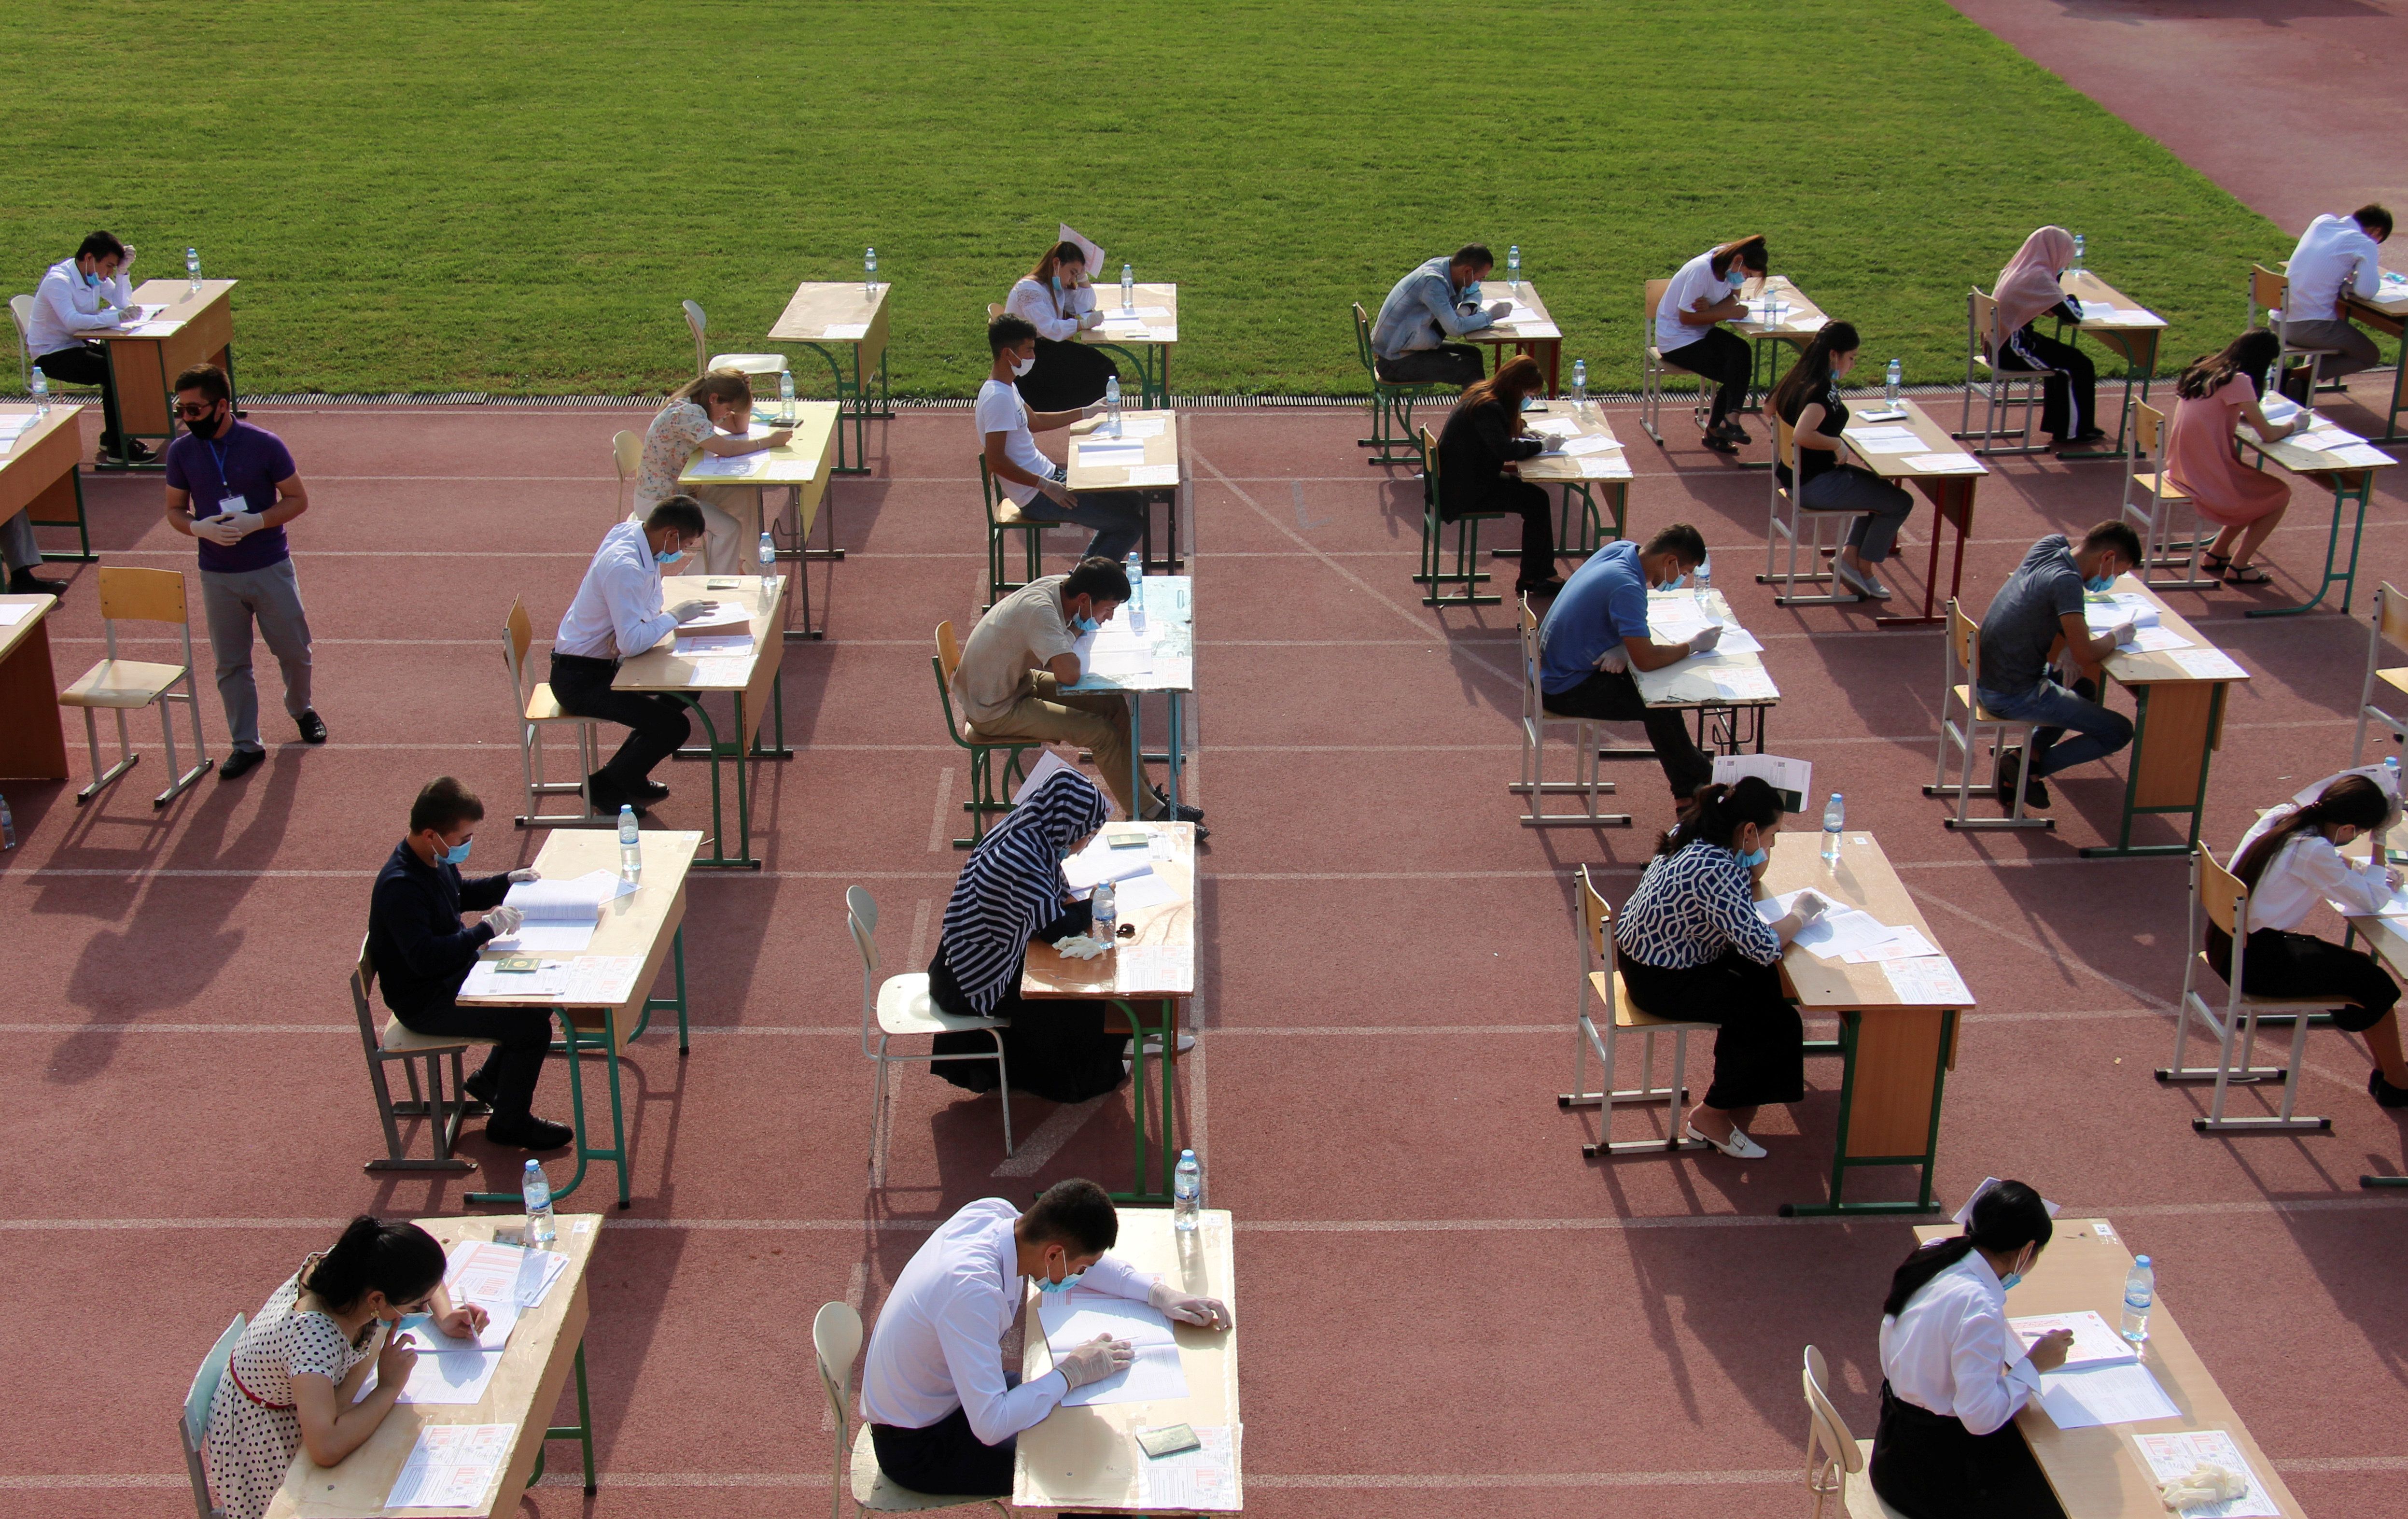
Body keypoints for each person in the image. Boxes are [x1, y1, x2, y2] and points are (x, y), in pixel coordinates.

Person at [860, 1180, 1232, 1499]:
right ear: (1054, 1253)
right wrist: (1072, 1371)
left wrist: (1159, 1295)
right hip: (920, 1444)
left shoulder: (996, 1215)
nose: (1083, 1274)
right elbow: (991, 1425)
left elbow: (1079, 1260)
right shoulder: (971, 1291)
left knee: (1073, 1416)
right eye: (1081, 1267)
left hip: (949, 1396)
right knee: (1090, 1469)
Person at [201, 1216, 487, 1519]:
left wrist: (444, 1315)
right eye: (418, 1306)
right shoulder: (312, 1339)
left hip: (308, 1402)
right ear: (377, 1299)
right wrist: (389, 1386)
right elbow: (325, 1447)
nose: (423, 1311)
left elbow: (421, 1273)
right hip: (264, 1440)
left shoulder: (357, 1263)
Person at [1613, 778, 1829, 1158]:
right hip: (1662, 980)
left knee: (1764, 985)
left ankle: (1740, 1093)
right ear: (1748, 830)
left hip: (1645, 958)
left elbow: (1750, 879)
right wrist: (1800, 915)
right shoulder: (1715, 870)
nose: (1772, 845)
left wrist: (1755, 854)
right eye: (1771, 836)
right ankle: (1711, 1115)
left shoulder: (1695, 831)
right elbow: (1763, 947)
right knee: (1770, 1016)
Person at [366, 776, 572, 1149]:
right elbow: (426, 959)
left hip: (453, 977)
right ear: (432, 834)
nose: (466, 846)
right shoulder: (401, 887)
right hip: (427, 1001)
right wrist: (484, 931)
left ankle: (491, 1083)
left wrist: (506, 882)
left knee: (540, 998)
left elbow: (458, 894)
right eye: (462, 839)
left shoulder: (432, 859)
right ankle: (510, 1124)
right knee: (531, 1031)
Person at [953, 558, 1205, 831]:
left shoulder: (1056, 587)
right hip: (993, 708)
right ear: (1085, 599)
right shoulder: (1040, 612)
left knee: (1112, 705)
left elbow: (1064, 652)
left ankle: (1146, 797)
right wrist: (1078, 628)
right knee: (1102, 734)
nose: (1108, 618)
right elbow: (1069, 675)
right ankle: (1148, 813)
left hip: (1017, 682)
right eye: (1108, 609)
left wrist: (1076, 629)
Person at [925, 768, 1130, 1102]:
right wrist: (1094, 906)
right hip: (970, 981)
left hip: (960, 960)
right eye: (1088, 834)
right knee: (1075, 994)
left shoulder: (1027, 830)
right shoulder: (1022, 859)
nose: (1085, 844)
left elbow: (1047, 902)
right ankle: (1081, 1079)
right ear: (1069, 823)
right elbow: (1056, 929)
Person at [1868, 1180, 2069, 1519]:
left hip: (1893, 1447)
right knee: (2061, 1491)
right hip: (1931, 1483)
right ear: (2026, 1251)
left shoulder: (1933, 1252)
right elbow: (1980, 1418)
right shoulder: (1981, 1308)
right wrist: (2033, 1365)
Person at [162, 363, 322, 782]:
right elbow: (175, 510)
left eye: (194, 410)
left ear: (222, 406)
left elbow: (297, 500)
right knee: (231, 663)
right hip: (217, 575)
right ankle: (245, 744)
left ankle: (301, 709)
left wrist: (257, 521)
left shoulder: (265, 445)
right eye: (181, 410)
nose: (186, 418)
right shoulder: (181, 452)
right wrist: (197, 527)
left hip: (270, 567)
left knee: (294, 650)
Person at [2217, 774, 2408, 1108]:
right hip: (2258, 964)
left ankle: (2390, 1072)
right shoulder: (2312, 851)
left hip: (2229, 946)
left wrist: (2356, 867)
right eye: (2361, 832)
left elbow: (2326, 864)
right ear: (2348, 827)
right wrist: (2380, 842)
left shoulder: (2282, 818)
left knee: (2361, 970)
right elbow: (2372, 902)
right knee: (2376, 984)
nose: (2359, 838)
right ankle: (2399, 1081)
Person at [550, 497, 724, 815]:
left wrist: (641, 626)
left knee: (686, 691)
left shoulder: (636, 537)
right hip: (580, 679)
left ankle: (627, 775)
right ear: (670, 534)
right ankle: (604, 786)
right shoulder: (625, 566)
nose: (682, 551)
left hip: (603, 664)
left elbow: (652, 599)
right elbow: (632, 642)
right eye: (685, 544)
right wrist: (672, 618)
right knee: (674, 728)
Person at [1535, 523, 1719, 808]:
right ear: (1670, 560)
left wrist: (1622, 646)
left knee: (1659, 701)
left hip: (1552, 668)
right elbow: (1646, 661)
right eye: (1683, 573)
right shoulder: (1628, 586)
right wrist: (1694, 646)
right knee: (1659, 702)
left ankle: (1689, 792)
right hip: (1563, 687)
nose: (1682, 579)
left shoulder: (1620, 550)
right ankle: (1710, 778)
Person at [1975, 523, 2141, 813]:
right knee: (2119, 731)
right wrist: (2117, 636)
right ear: (2108, 558)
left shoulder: (2048, 547)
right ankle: (2026, 770)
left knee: (2084, 688)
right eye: (2118, 572)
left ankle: (2028, 754)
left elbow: (2044, 606)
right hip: (2013, 694)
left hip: (1992, 677)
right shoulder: (2067, 582)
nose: (2113, 579)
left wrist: (2068, 637)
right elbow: (2086, 653)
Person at [980, 314, 1148, 565]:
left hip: (1050, 477)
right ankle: (1084, 586)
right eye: (1028, 351)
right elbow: (995, 462)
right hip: (1037, 496)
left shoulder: (1008, 387)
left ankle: (1084, 572)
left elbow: (1035, 421)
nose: (1033, 357)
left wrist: (1085, 412)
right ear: (1008, 354)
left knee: (1132, 500)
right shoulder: (997, 400)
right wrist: (1047, 487)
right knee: (1130, 525)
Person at [1768, 320, 1915, 600]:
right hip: (1816, 486)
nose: (1853, 365)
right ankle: (1863, 568)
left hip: (1795, 477)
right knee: (1899, 502)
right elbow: (1802, 434)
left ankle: (1850, 559)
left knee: (1879, 488)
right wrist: (1835, 443)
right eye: (1852, 358)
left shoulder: (1796, 377)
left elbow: (1768, 408)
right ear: (1834, 355)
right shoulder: (1819, 392)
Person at [2163, 328, 2304, 586]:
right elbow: (2269, 434)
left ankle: (2217, 552)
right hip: (2205, 474)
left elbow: (2215, 410)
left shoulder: (2205, 368)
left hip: (2180, 466)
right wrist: (2297, 425)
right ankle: (2239, 566)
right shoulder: (2238, 380)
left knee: (2255, 493)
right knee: (2279, 494)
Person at [629, 369, 794, 577]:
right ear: (714, 398)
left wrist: (745, 393)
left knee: (744, 495)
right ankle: (712, 586)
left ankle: (755, 569)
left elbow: (738, 428)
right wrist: (770, 442)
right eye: (728, 408)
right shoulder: (686, 414)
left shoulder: (704, 405)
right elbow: (727, 449)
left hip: (684, 492)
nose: (728, 415)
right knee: (729, 529)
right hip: (661, 503)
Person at [1435, 354, 1559, 597]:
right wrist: (1543, 445)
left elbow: (1497, 432)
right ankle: (1535, 577)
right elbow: (1507, 450)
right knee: (1537, 502)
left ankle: (1539, 574)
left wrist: (1524, 429)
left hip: (1464, 480)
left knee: (1537, 499)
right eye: (1527, 394)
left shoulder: (1482, 392)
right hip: (1465, 491)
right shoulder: (1488, 408)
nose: (1528, 400)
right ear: (1516, 388)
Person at [27, 229, 148, 464]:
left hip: (78, 344)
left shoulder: (93, 276)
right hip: (52, 354)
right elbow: (72, 322)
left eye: (114, 268)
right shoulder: (58, 281)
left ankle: (111, 436)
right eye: (110, 266)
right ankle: (118, 447)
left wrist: (123, 274)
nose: (109, 273)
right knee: (113, 372)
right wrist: (117, 318)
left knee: (124, 362)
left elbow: (121, 301)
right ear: (90, 258)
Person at [1987, 226, 2104, 451]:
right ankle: (2074, 432)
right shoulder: (2038, 276)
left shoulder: (2018, 268)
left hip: (2002, 342)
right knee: (2076, 365)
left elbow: (2047, 309)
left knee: (2072, 358)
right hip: (2011, 348)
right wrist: (2070, 297)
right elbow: (2073, 315)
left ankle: (2065, 424)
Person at [1654, 235, 1770, 452]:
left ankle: (1729, 420)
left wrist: (1715, 309)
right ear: (1738, 261)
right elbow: (1686, 318)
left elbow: (1733, 298)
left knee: (1741, 350)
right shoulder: (1702, 271)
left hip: (1701, 331)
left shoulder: (1730, 268)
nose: (1744, 279)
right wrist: (1726, 312)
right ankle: (1720, 427)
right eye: (1746, 274)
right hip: (1676, 340)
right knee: (1733, 372)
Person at [2279, 204, 2393, 397]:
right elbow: (2367, 291)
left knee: (2331, 325)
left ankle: (2300, 383)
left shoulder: (2322, 222)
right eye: (2378, 240)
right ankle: (2296, 376)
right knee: (2370, 355)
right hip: (2307, 328)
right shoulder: (2364, 243)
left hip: (2279, 320)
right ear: (2377, 231)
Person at [1369, 243, 1510, 388]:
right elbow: (1455, 328)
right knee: (1469, 369)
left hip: (1407, 347)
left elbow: (1474, 293)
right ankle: (1476, 410)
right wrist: (1490, 316)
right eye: (1480, 279)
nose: (1479, 283)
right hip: (1394, 361)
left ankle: (1476, 408)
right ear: (1467, 271)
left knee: (1474, 354)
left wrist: (1467, 309)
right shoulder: (1433, 283)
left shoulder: (1449, 269)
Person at [1003, 240, 1122, 411]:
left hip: (1043, 349)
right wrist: (1083, 324)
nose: (1072, 279)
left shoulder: (1053, 287)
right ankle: (1088, 416)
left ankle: (1092, 416)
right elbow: (1050, 329)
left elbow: (1085, 304)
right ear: (1056, 264)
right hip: (1026, 359)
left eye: (1076, 275)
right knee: (1098, 371)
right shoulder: (1029, 290)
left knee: (1103, 367)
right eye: (1072, 273)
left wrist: (1083, 277)